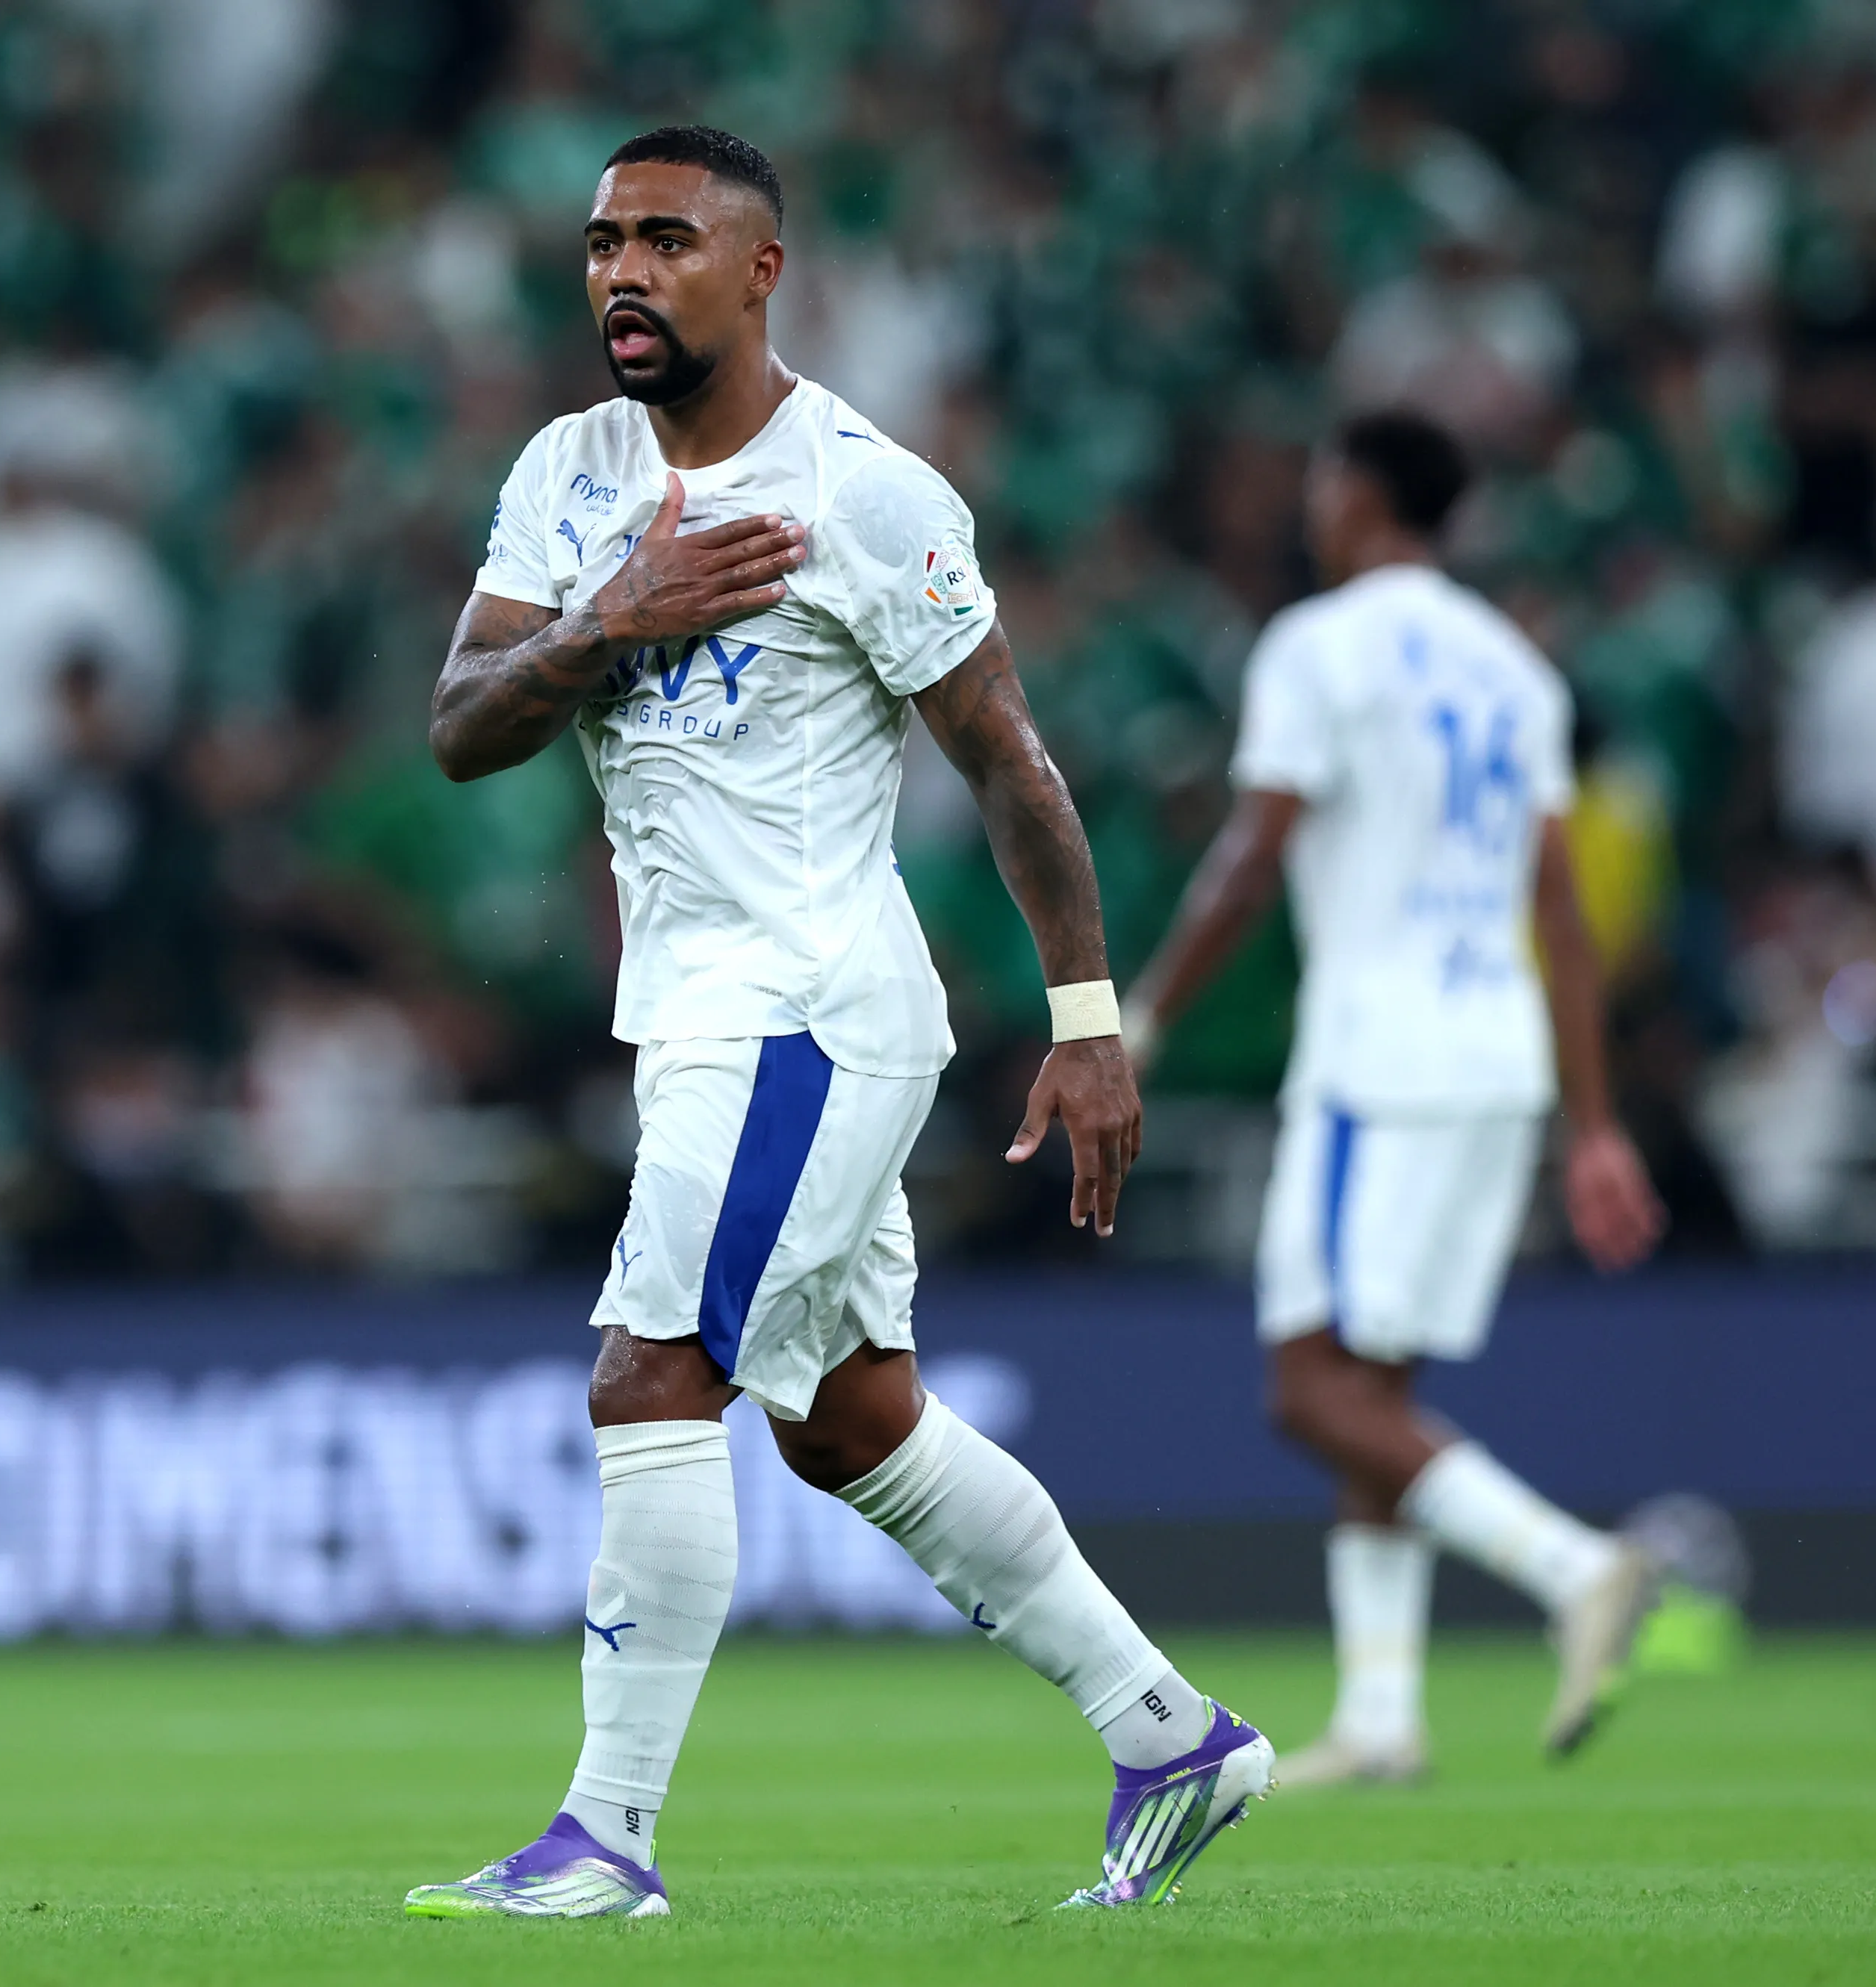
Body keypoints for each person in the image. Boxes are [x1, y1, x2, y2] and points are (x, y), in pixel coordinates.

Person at [405, 125, 1272, 1921]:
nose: (621, 276)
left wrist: (1086, 1020)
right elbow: (464, 725)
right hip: (708, 1012)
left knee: (651, 1366)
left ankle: (606, 1837)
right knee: (848, 1418)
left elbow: (1010, 768)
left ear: (761, 269)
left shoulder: (861, 491)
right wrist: (607, 621)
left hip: (806, 1003)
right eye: (598, 244)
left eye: (664, 241)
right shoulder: (567, 478)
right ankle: (1166, 1730)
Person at [1122, 410, 1667, 1787]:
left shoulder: (1319, 646)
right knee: (1378, 1387)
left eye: (1319, 480)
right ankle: (1381, 1713)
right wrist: (1594, 1123)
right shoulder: (1514, 669)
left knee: (1307, 1392)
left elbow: (1251, 859)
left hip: (1381, 1054)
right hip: (1500, 1060)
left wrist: (1138, 1018)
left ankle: (1575, 1566)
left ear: (1357, 495)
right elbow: (1563, 909)